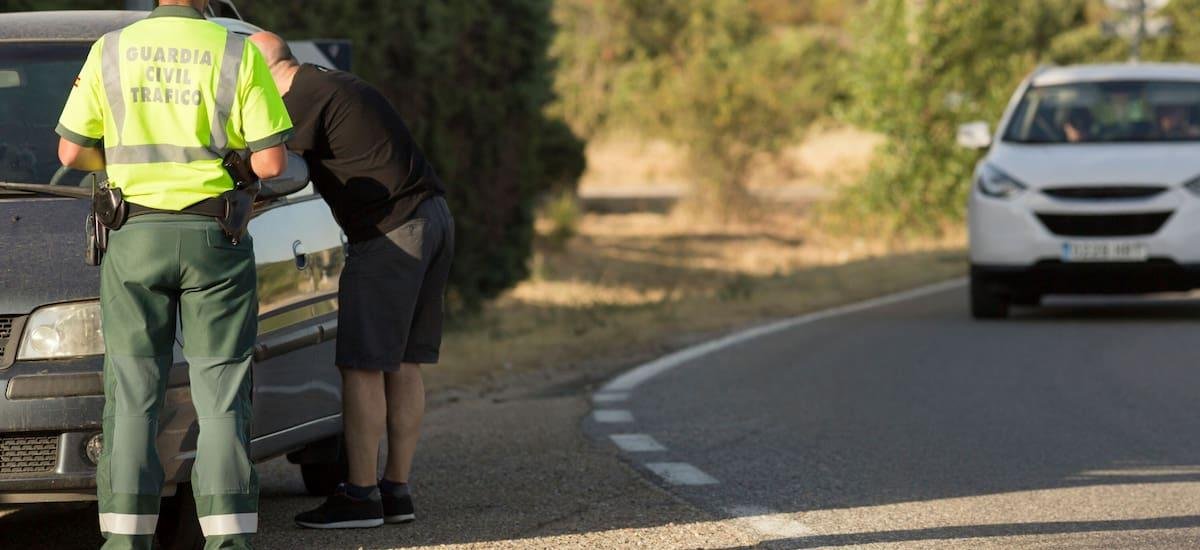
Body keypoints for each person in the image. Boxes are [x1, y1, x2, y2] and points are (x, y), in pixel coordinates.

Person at [56, 2, 293, 548]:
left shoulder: (109, 50)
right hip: (214, 241)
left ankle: (124, 541)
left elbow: (70, 150)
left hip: (134, 240)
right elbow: (273, 165)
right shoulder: (237, 50)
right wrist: (232, 163)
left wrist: (116, 161)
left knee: (133, 396)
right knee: (222, 398)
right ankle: (227, 541)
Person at [247, 32, 454, 529]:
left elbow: (264, 169)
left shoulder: (297, 100)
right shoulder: (330, 84)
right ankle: (395, 491)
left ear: (260, 72)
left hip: (389, 233)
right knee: (403, 363)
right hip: (434, 218)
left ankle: (360, 496)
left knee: (362, 366)